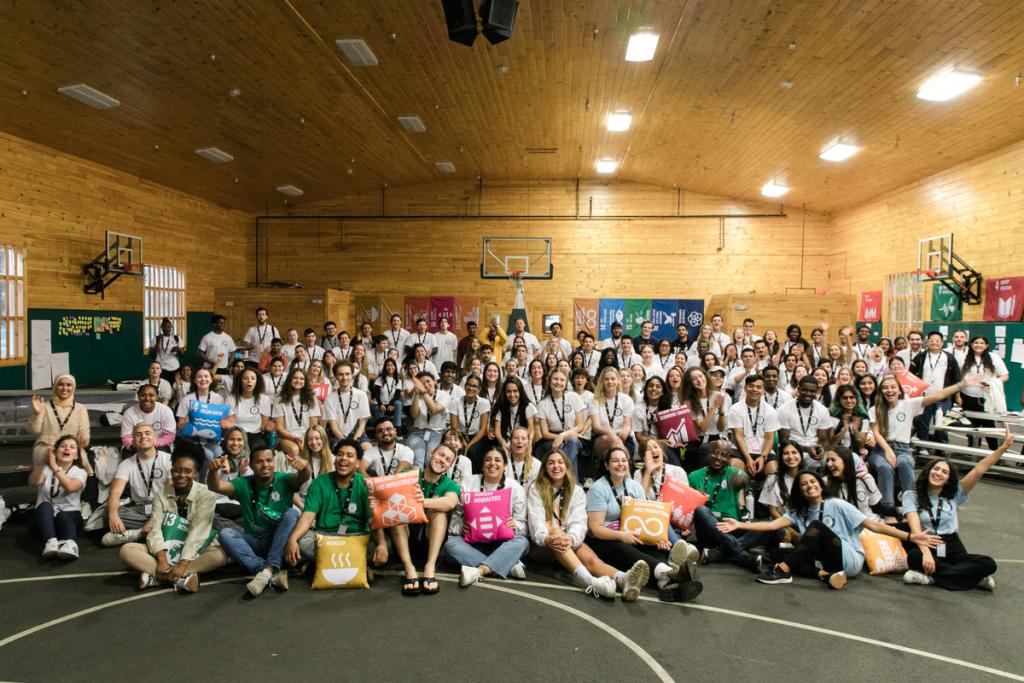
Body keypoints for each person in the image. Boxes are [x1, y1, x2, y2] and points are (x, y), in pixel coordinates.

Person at [720, 470, 941, 589]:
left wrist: (911, 536)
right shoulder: (798, 512)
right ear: (801, 491)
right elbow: (770, 525)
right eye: (804, 484)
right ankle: (826, 576)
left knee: (816, 527)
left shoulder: (837, 504)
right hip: (825, 562)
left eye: (813, 482)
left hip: (849, 559)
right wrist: (739, 524)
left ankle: (782, 572)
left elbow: (874, 525)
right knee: (776, 552)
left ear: (820, 485)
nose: (809, 486)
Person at [901, 428, 1014, 590]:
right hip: (926, 541)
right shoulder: (911, 495)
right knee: (914, 557)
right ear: (928, 471)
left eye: (944, 472)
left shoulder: (955, 493)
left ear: (948, 479)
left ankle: (932, 578)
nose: (938, 473)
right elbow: (915, 528)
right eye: (936, 468)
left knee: (988, 563)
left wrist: (1003, 447)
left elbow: (979, 470)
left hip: (952, 543)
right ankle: (973, 579)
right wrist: (925, 552)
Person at [586, 447, 702, 603]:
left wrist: (657, 539)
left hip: (632, 533)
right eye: (615, 461)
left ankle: (665, 582)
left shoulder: (634, 486)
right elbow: (596, 529)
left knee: (655, 547)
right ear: (606, 466)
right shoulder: (598, 489)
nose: (620, 464)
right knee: (623, 548)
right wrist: (622, 535)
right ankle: (670, 573)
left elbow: (645, 518)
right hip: (605, 540)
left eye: (624, 460)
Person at [120, 440, 227, 592]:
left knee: (220, 555)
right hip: (165, 547)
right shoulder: (161, 493)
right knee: (127, 550)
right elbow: (155, 528)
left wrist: (183, 563)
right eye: (177, 470)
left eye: (187, 471)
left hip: (193, 549)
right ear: (171, 471)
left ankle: (158, 576)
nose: (181, 475)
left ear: (196, 472)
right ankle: (181, 578)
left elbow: (198, 533)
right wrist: (161, 559)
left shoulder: (206, 495)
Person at [206, 445, 309, 596]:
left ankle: (268, 570)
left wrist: (304, 467)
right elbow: (216, 486)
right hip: (254, 541)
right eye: (259, 462)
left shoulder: (284, 480)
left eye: (269, 460)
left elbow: (304, 476)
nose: (265, 465)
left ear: (274, 462)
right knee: (226, 533)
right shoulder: (243, 483)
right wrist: (213, 471)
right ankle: (268, 571)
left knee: (291, 513)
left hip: (280, 541)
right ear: (252, 464)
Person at [869, 373, 978, 508]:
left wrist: (961, 385)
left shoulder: (909, 404)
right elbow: (876, 433)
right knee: (885, 467)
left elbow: (937, 396)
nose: (889, 390)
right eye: (885, 388)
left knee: (905, 463)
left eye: (893, 387)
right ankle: (887, 508)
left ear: (899, 390)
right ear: (881, 391)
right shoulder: (875, 409)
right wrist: (887, 450)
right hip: (881, 449)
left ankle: (914, 505)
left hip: (903, 449)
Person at [284, 438, 387, 570]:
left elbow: (372, 519)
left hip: (356, 537)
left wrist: (382, 544)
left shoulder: (366, 483)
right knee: (302, 541)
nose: (343, 458)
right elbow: (308, 516)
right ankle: (356, 563)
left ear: (357, 463)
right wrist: (292, 539)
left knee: (385, 545)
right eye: (340, 454)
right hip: (326, 538)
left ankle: (322, 563)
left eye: (349, 455)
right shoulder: (320, 483)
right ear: (335, 459)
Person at [527, 450, 619, 598]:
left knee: (592, 559)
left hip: (565, 542)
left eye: (560, 462)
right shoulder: (536, 489)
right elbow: (536, 522)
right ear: (544, 468)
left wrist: (570, 538)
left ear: (567, 466)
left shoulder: (576, 491)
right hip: (541, 546)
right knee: (556, 533)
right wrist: (548, 538)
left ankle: (623, 578)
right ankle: (591, 582)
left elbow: (579, 522)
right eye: (551, 463)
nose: (556, 466)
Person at [445, 449, 530, 585]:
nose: (492, 463)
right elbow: (455, 519)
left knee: (523, 543)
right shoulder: (467, 483)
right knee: (451, 546)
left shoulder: (514, 487)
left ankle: (480, 571)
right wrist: (461, 528)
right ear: (483, 465)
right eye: (488, 459)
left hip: (502, 544)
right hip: (473, 544)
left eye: (497, 460)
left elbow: (523, 524)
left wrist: (515, 525)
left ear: (505, 466)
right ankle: (507, 564)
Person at [386, 444, 461, 596]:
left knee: (439, 512)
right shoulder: (409, 475)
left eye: (447, 460)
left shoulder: (450, 484)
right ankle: (409, 569)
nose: (442, 461)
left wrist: (421, 501)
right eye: (440, 455)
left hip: (430, 540)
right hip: (406, 537)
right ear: (431, 453)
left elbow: (450, 502)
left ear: (449, 466)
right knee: (397, 514)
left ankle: (430, 568)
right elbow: (390, 497)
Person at [688, 440, 767, 572]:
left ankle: (718, 552)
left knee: (770, 527)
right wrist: (697, 498)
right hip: (709, 529)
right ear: (708, 453)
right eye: (715, 452)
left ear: (729, 458)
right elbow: (689, 507)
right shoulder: (694, 476)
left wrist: (743, 481)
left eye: (723, 454)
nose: (718, 457)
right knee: (701, 510)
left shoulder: (735, 473)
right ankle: (743, 556)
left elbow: (744, 480)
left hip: (732, 525)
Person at [99, 423, 172, 545]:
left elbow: (172, 493)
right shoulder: (126, 464)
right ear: (133, 441)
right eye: (138, 435)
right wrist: (113, 515)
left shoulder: (168, 459)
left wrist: (155, 518)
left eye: (147, 433)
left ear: (155, 439)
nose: (143, 436)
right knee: (109, 512)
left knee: (178, 512)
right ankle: (156, 530)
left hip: (163, 507)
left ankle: (137, 534)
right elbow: (114, 493)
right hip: (140, 510)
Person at [30, 435, 87, 560]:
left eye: (72, 447)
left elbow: (71, 486)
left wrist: (55, 466)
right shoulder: (45, 468)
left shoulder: (80, 472)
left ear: (76, 455)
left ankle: (70, 544)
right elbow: (33, 482)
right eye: (63, 446)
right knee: (44, 506)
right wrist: (43, 462)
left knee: (64, 515)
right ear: (55, 452)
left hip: (68, 518)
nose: (67, 449)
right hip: (45, 519)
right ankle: (51, 542)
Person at [909, 331, 963, 448]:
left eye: (937, 341)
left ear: (942, 343)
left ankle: (942, 447)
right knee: (922, 422)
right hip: (924, 397)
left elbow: (956, 378)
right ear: (927, 342)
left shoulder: (949, 357)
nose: (934, 343)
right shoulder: (921, 356)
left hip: (943, 397)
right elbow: (911, 375)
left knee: (941, 423)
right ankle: (922, 447)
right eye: (931, 341)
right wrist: (916, 392)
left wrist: (957, 396)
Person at [28, 374, 91, 471]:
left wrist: (84, 438)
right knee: (47, 473)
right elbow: (34, 430)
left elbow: (84, 434)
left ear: (73, 388)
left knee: (80, 465)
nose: (65, 388)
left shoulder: (80, 409)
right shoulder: (44, 407)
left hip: (70, 449)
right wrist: (37, 414)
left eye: (69, 385)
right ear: (55, 387)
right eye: (61, 384)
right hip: (46, 448)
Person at [959, 336, 1009, 450]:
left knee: (988, 425)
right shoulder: (963, 357)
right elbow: (958, 377)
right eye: (976, 342)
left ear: (986, 346)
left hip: (987, 397)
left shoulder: (994, 357)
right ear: (971, 344)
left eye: (982, 343)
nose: (979, 345)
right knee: (972, 425)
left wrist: (991, 383)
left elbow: (1005, 376)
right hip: (967, 396)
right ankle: (972, 449)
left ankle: (994, 450)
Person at [534, 369, 585, 476]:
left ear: (566, 382)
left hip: (572, 434)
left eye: (562, 380)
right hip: (552, 437)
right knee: (566, 444)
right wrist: (559, 437)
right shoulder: (543, 403)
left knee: (572, 441)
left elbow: (580, 426)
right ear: (549, 380)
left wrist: (563, 436)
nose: (558, 382)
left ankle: (568, 479)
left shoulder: (574, 397)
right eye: (555, 379)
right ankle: (571, 482)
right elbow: (545, 433)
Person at [727, 374, 778, 477]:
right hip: (740, 450)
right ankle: (742, 492)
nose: (754, 389)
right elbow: (739, 436)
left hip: (763, 451)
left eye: (759, 387)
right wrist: (748, 458)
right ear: (745, 389)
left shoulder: (770, 411)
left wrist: (763, 457)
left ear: (763, 390)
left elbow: (769, 438)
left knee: (774, 470)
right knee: (734, 468)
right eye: (751, 386)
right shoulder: (735, 409)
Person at [777, 377, 834, 469]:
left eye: (812, 391)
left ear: (816, 391)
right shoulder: (784, 409)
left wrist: (821, 449)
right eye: (805, 390)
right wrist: (807, 449)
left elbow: (824, 440)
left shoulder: (822, 410)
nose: (808, 394)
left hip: (814, 449)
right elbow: (784, 441)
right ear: (799, 389)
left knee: (828, 462)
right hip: (792, 449)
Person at [273, 367, 322, 459]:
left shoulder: (312, 398)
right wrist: (294, 438)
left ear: (305, 381)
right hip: (287, 437)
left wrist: (307, 438)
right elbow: (279, 428)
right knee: (295, 449)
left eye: (301, 378)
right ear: (290, 379)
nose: (298, 381)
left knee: (312, 447)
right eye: (295, 378)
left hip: (308, 435)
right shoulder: (280, 399)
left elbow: (313, 425)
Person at [322, 361, 371, 452]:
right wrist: (345, 442)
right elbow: (333, 427)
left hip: (358, 434)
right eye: (340, 374)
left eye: (347, 374)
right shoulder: (329, 398)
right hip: (337, 436)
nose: (344, 377)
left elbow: (362, 424)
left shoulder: (361, 395)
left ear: (352, 375)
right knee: (343, 451)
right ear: (336, 376)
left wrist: (354, 441)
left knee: (368, 449)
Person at [589, 366, 636, 460]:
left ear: (618, 380)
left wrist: (624, 432)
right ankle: (627, 467)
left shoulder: (626, 400)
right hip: (601, 438)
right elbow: (596, 426)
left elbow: (627, 425)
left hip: (623, 439)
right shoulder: (594, 400)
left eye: (613, 379)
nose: (610, 382)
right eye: (606, 379)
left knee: (615, 443)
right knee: (612, 439)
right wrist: (611, 433)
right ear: (602, 382)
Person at [406, 371, 450, 468]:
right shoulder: (418, 395)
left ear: (434, 381)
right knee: (418, 460)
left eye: (428, 381)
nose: (426, 385)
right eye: (422, 383)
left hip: (436, 433)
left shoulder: (444, 395)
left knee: (430, 461)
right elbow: (413, 414)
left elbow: (434, 410)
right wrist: (417, 394)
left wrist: (424, 392)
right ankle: (417, 483)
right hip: (417, 432)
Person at [824, 448, 883, 518]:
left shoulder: (865, 478)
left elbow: (877, 508)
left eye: (833, 460)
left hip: (870, 525)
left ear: (846, 460)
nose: (829, 464)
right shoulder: (826, 483)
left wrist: (898, 511)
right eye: (827, 460)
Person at [450, 373, 491, 470]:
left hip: (478, 436)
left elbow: (482, 430)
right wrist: (464, 443)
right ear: (465, 386)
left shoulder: (484, 403)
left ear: (479, 389)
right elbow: (454, 428)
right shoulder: (455, 402)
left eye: (474, 386)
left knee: (472, 451)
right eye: (468, 385)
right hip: (460, 435)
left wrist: (469, 445)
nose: (471, 388)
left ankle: (477, 477)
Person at [121, 384, 176, 450]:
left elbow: (170, 436)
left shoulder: (166, 411)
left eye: (151, 395)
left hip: (160, 445)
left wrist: (150, 445)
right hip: (136, 446)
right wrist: (138, 446)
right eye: (143, 395)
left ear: (157, 397)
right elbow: (126, 438)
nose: (147, 398)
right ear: (138, 396)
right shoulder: (129, 413)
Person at [371, 357, 404, 431]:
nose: (390, 367)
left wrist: (392, 404)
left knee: (398, 403)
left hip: (390, 406)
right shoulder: (380, 378)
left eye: (392, 365)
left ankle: (397, 428)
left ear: (395, 367)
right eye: (388, 365)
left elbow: (397, 395)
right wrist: (380, 404)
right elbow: (377, 394)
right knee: (377, 408)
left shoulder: (398, 380)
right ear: (385, 367)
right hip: (379, 404)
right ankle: (381, 430)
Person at [150, 318, 184, 383]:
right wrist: (158, 342)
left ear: (171, 327)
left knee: (174, 388)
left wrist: (178, 349)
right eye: (164, 326)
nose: (166, 328)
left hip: (174, 368)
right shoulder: (156, 338)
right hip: (161, 368)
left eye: (168, 326)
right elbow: (151, 355)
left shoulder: (177, 338)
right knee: (161, 388)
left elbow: (183, 354)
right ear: (161, 328)